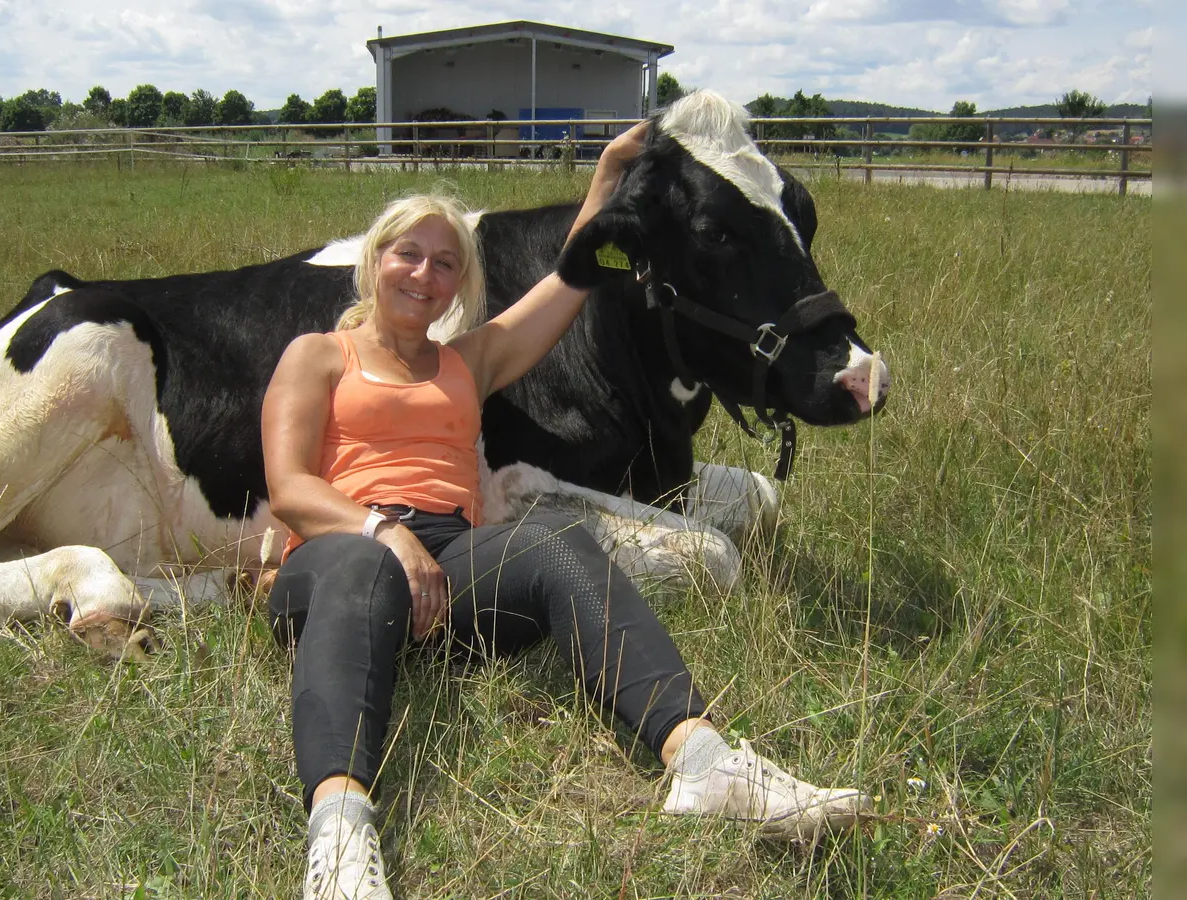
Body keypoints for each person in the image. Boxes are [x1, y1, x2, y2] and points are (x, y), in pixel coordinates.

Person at [260, 123, 871, 900]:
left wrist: (607, 175)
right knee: (358, 564)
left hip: (449, 564)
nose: (424, 273)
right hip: (338, 553)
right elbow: (290, 489)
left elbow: (568, 279)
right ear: (374, 260)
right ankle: (341, 840)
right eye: (408, 254)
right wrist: (384, 533)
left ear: (459, 283)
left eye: (445, 262)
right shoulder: (317, 354)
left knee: (556, 540)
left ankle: (705, 762)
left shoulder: (468, 360)